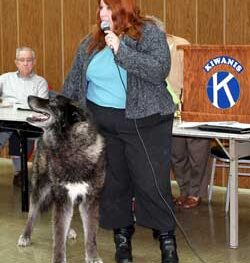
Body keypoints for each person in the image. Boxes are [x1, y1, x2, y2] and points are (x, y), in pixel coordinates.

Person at [62, 0, 178, 262]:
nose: (102, 13)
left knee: (151, 184)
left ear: (123, 8)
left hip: (146, 122)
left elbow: (158, 70)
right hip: (104, 124)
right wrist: (56, 111)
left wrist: (120, 49)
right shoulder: (90, 42)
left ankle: (167, 242)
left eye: (107, 7)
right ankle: (122, 242)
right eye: (100, 8)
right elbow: (73, 83)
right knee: (114, 185)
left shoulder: (149, 33)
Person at [167, 35, 211, 209]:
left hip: (192, 105)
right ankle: (185, 190)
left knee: (197, 153)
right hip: (170, 109)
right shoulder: (149, 49)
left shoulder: (181, 46)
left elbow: (195, 77)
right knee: (176, 153)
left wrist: (188, 105)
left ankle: (195, 192)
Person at [0, 46, 48, 186]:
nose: (26, 63)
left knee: (21, 134)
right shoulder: (4, 79)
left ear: (34, 62)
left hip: (28, 123)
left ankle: (20, 173)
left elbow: (42, 107)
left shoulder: (40, 82)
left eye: (29, 60)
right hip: (5, 120)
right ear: (16, 62)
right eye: (22, 60)